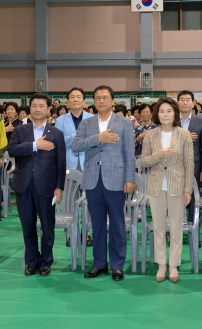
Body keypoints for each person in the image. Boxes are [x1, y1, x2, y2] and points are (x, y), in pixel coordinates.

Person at [72, 85, 135, 281]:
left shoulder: (124, 123)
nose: (101, 101)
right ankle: (99, 264)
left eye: (105, 97)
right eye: (98, 98)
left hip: (115, 179)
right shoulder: (86, 123)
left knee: (117, 224)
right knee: (97, 224)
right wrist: (98, 138)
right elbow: (75, 146)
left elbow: (129, 154)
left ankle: (117, 265)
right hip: (92, 180)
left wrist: (129, 179)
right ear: (93, 101)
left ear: (113, 101)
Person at [8, 93, 66, 277]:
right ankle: (31, 261)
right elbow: (12, 150)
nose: (37, 109)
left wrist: (59, 187)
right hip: (23, 185)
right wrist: (35, 145)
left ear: (49, 109)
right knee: (28, 226)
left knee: (48, 227)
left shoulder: (56, 134)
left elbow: (61, 163)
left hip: (47, 186)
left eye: (41, 106)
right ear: (29, 108)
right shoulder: (20, 131)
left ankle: (46, 262)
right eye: (34, 105)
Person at [140, 97, 193, 283]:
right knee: (159, 228)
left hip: (177, 186)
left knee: (176, 228)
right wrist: (158, 155)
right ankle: (161, 264)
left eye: (169, 111)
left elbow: (188, 163)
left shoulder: (184, 135)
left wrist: (188, 189)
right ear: (157, 114)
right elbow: (143, 161)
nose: (165, 114)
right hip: (156, 187)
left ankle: (173, 266)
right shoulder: (151, 135)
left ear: (175, 113)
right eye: (162, 111)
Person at [54, 87, 94, 247]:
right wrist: (79, 136)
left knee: (90, 200)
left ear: (84, 101)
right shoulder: (60, 120)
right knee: (70, 200)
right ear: (67, 101)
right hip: (69, 164)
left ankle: (88, 232)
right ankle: (73, 233)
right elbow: (59, 142)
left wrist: (74, 139)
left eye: (79, 97)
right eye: (72, 97)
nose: (76, 99)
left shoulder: (92, 118)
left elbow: (94, 139)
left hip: (88, 163)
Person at [176, 90, 202, 227]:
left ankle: (194, 231)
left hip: (194, 167)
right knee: (174, 199)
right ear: (177, 103)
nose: (185, 102)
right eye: (182, 99)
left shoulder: (201, 122)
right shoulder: (171, 120)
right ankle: (173, 232)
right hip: (174, 165)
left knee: (194, 199)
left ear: (193, 103)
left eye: (188, 99)